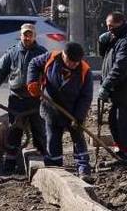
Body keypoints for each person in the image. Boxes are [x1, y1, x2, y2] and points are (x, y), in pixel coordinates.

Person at [0, 23, 46, 175]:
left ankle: (45, 162)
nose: (27, 37)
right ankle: (9, 165)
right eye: (25, 34)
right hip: (17, 100)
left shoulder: (42, 53)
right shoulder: (12, 53)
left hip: (36, 101)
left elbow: (50, 76)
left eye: (30, 34)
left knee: (39, 131)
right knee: (14, 132)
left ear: (35, 36)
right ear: (20, 36)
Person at [26, 41, 93, 178]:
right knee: (52, 139)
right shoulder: (51, 57)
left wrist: (79, 116)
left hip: (73, 110)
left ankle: (83, 168)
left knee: (78, 138)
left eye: (76, 62)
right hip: (51, 107)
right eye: (70, 61)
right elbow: (33, 64)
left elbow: (86, 97)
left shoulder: (85, 70)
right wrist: (32, 81)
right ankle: (56, 169)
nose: (74, 65)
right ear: (64, 55)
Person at [97, 11, 127, 168]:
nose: (109, 29)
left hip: (125, 91)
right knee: (115, 122)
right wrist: (102, 42)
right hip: (118, 92)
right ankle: (122, 153)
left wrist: (107, 84)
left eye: (111, 26)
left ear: (121, 24)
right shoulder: (116, 38)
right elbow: (104, 56)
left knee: (125, 124)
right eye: (107, 27)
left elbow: (121, 67)